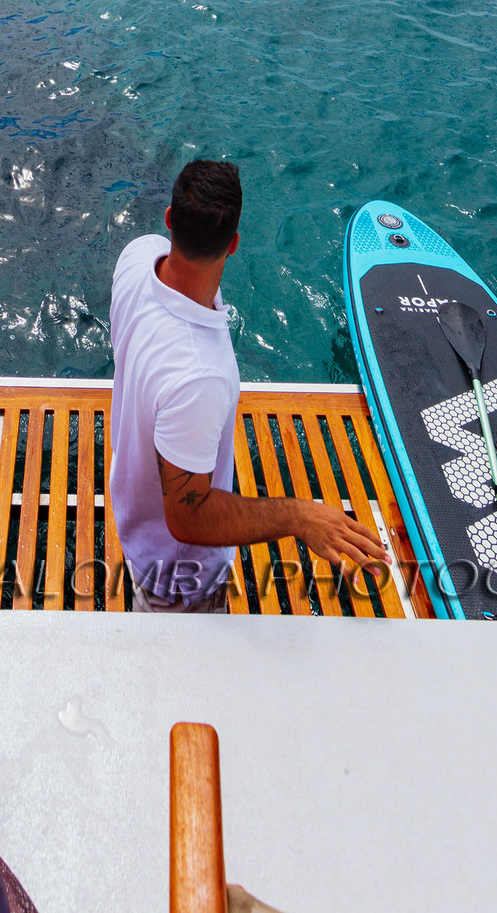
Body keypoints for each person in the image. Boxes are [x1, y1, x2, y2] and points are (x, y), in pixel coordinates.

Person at [108, 160, 380, 610]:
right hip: (181, 577)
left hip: (137, 525)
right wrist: (299, 516)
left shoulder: (137, 257)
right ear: (234, 244)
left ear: (170, 221)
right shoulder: (200, 376)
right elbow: (187, 518)